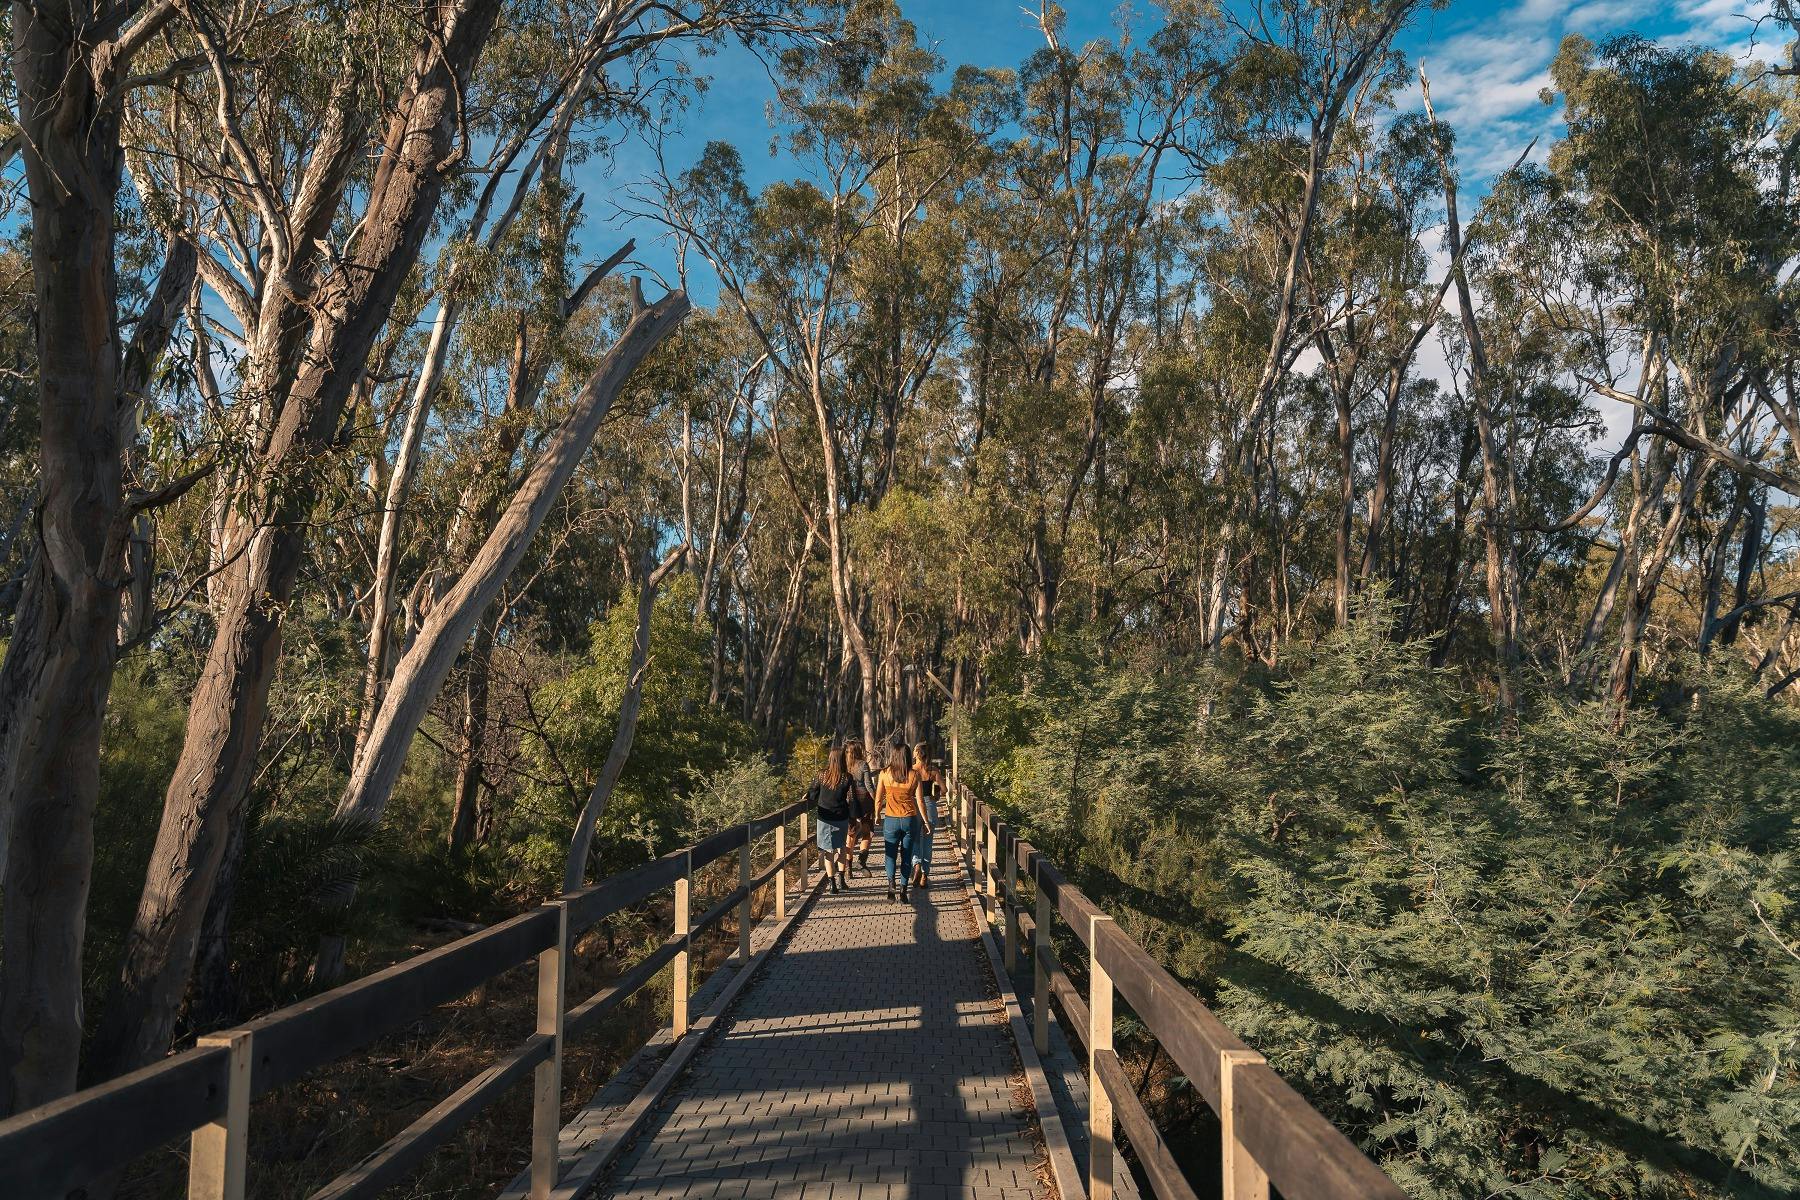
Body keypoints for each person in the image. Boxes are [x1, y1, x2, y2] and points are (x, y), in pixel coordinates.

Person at [876, 744, 930, 902]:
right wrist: (926, 821)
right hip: (909, 820)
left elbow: (879, 799)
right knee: (906, 856)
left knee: (890, 855)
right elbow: (920, 801)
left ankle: (891, 884)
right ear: (907, 756)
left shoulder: (884, 773)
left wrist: (877, 815)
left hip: (891, 819)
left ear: (893, 755)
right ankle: (903, 890)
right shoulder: (914, 775)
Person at [808, 746, 855, 892]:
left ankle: (832, 883)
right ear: (842, 760)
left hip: (824, 817)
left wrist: (808, 795)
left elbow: (812, 793)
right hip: (841, 816)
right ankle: (842, 880)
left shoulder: (821, 775)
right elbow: (852, 798)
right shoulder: (847, 777)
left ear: (830, 758)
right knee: (841, 847)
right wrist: (854, 818)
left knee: (828, 850)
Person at [910, 742, 941, 890]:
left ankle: (916, 863)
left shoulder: (911, 770)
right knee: (928, 843)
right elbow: (945, 789)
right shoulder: (933, 771)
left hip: (914, 806)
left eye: (915, 750)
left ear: (918, 754)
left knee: (916, 840)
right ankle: (924, 875)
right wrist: (937, 796)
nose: (913, 752)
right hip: (929, 806)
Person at [846, 740, 876, 876]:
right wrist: (877, 801)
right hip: (865, 803)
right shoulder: (863, 764)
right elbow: (869, 785)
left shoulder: (843, 766)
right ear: (859, 751)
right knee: (866, 832)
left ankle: (848, 868)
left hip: (849, 803)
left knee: (850, 835)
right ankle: (861, 861)